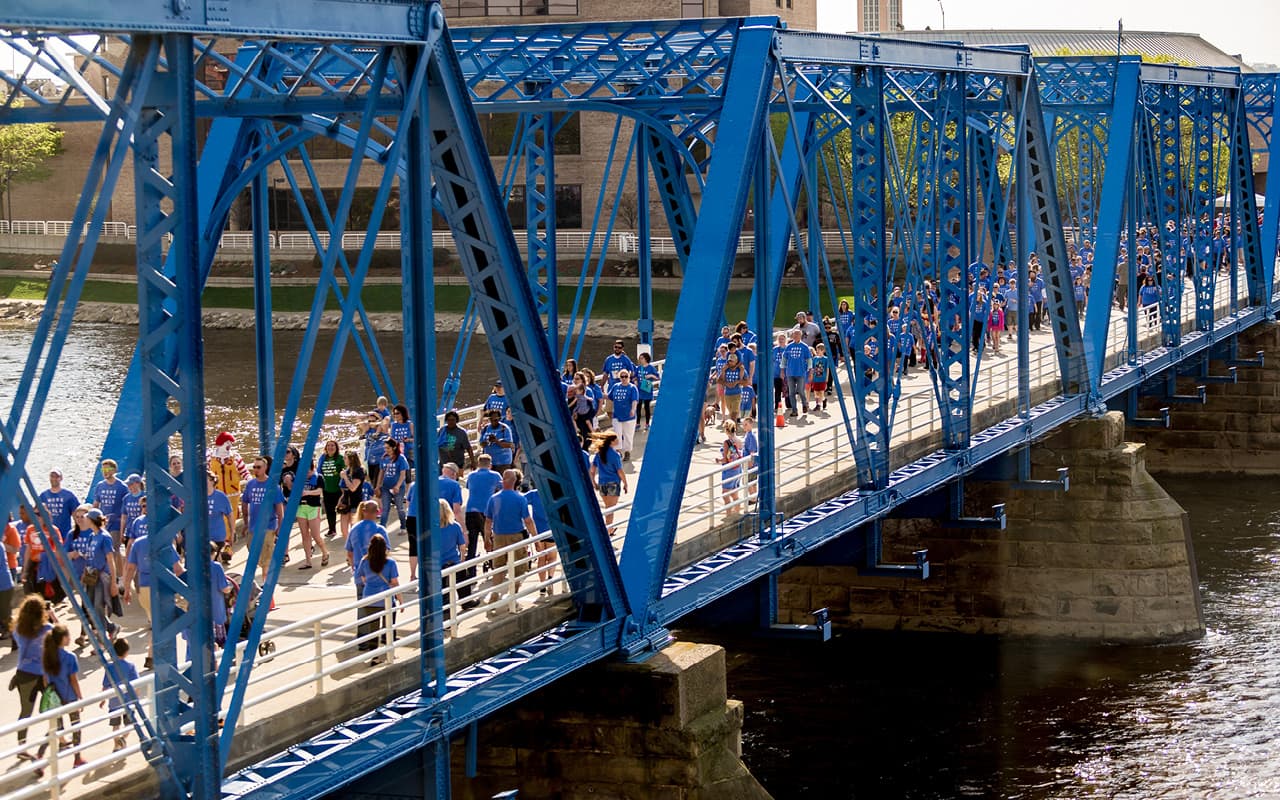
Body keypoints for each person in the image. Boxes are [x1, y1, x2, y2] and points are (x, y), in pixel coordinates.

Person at [482, 469, 537, 614]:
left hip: (499, 536)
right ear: (516, 482)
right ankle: (513, 597)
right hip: (516, 537)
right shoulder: (520, 499)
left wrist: (487, 539)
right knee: (518, 568)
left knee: (498, 568)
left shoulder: (493, 498)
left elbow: (488, 521)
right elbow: (528, 521)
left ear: (503, 481)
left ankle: (494, 596)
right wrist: (536, 538)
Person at [11, 595, 53, 760]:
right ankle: (51, 743)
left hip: (23, 675)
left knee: (25, 713)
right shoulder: (47, 629)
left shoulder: (18, 630)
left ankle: (22, 746)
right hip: (43, 676)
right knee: (54, 709)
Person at [68, 507, 118, 644]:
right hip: (91, 575)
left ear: (92, 520)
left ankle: (105, 635)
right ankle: (110, 628)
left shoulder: (105, 537)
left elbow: (110, 560)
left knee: (98, 606)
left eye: (87, 517)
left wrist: (113, 581)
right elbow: (89, 557)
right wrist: (84, 573)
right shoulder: (92, 536)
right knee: (89, 607)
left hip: (102, 576)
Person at [39, 625, 86, 770]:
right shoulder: (70, 657)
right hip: (69, 697)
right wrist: (80, 697)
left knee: (56, 728)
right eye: (68, 636)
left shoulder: (46, 656)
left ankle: (39, 755)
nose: (70, 638)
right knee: (76, 726)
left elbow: (45, 680)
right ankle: (77, 758)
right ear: (62, 639)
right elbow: (73, 680)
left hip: (55, 699)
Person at [462, 455, 502, 602]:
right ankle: (493, 566)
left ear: (479, 464)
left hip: (471, 511)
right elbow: (500, 489)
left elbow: (469, 488)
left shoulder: (471, 476)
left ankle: (471, 573)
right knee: (490, 539)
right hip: (487, 512)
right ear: (490, 464)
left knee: (471, 544)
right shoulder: (495, 475)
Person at [354, 534, 399, 663]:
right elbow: (395, 582)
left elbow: (361, 578)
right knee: (389, 627)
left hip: (369, 597)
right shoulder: (390, 562)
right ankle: (390, 652)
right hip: (386, 598)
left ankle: (375, 656)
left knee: (373, 629)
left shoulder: (364, 561)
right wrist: (400, 599)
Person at [241, 457, 287, 584]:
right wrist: (245, 522)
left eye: (258, 467)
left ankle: (266, 583)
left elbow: (279, 508)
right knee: (252, 553)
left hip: (269, 526)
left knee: (266, 556)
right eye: (254, 467)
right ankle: (258, 578)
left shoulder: (273, 486)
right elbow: (245, 502)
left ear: (265, 468)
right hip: (253, 526)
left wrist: (280, 526)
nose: (256, 470)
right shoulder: (250, 484)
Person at [208, 431, 250, 542]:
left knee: (232, 516)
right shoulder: (210, 457)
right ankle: (221, 539)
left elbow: (244, 471)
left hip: (233, 493)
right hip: (215, 493)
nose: (229, 445)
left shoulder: (235, 457)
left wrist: (249, 480)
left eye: (230, 443)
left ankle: (228, 540)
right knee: (217, 516)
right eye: (227, 442)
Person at [100, 637, 139, 751]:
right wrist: (136, 697)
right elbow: (135, 684)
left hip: (114, 701)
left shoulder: (110, 667)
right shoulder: (131, 666)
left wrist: (103, 699)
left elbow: (105, 685)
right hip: (128, 700)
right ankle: (123, 739)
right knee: (129, 724)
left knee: (115, 725)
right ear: (127, 652)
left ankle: (117, 744)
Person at [91, 458, 128, 576]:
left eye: (108, 469)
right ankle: (106, 573)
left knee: (114, 550)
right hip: (103, 523)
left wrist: (124, 525)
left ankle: (120, 577)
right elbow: (96, 504)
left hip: (116, 522)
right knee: (102, 549)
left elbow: (125, 507)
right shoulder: (100, 486)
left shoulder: (122, 487)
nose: (105, 472)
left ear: (114, 470)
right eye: (103, 469)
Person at [295, 460, 329, 570]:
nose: (306, 474)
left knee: (315, 534)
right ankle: (308, 560)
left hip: (313, 507)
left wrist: (307, 492)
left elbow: (319, 491)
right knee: (304, 535)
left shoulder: (318, 477)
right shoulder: (299, 478)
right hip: (301, 507)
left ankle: (325, 552)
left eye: (308, 472)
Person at [524, 483, 557, 595]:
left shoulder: (533, 494)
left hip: (538, 531)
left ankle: (542, 585)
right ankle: (550, 579)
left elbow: (521, 501)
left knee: (541, 559)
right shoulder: (553, 494)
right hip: (551, 530)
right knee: (552, 558)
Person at [589, 432, 627, 530]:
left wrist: (594, 483)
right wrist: (625, 483)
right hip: (613, 483)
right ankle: (609, 530)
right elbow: (620, 471)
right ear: (611, 442)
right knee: (611, 509)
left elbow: (592, 470)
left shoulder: (599, 454)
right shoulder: (615, 455)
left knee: (607, 507)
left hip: (602, 483)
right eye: (616, 439)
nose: (618, 440)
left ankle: (609, 527)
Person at [437, 499, 467, 614]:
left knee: (443, 588)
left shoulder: (432, 528)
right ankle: (466, 601)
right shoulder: (455, 526)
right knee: (462, 582)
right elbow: (462, 546)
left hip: (438, 564)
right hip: (454, 561)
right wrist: (462, 559)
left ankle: (445, 607)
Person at [344, 501, 386, 580]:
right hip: (378, 576)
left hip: (359, 576)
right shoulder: (380, 530)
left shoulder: (354, 529)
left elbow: (349, 553)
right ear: (377, 512)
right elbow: (386, 551)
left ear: (363, 511)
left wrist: (353, 567)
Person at [38, 470, 78, 546]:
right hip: (48, 535)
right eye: (52, 476)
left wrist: (77, 532)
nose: (54, 479)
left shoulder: (68, 495)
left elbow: (76, 515)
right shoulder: (43, 496)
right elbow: (38, 515)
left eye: (57, 476)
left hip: (64, 534)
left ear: (61, 478)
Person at [376, 439, 409, 529]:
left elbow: (403, 474)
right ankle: (382, 527)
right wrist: (378, 485)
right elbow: (381, 472)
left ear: (394, 447)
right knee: (385, 508)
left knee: (400, 508)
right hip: (386, 487)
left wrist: (397, 486)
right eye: (385, 448)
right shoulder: (384, 458)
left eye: (388, 448)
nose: (386, 450)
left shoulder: (401, 458)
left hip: (398, 487)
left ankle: (403, 526)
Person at [608, 369, 640, 459]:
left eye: (626, 376)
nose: (624, 378)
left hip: (629, 416)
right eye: (622, 376)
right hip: (617, 415)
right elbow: (610, 397)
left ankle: (627, 451)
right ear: (619, 378)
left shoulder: (632, 388)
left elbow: (634, 400)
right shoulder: (615, 386)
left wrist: (633, 410)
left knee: (628, 435)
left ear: (629, 377)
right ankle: (618, 451)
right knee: (617, 434)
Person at [317, 439, 345, 539]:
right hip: (326, 489)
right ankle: (332, 529)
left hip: (338, 489)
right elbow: (319, 471)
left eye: (332, 445)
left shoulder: (340, 458)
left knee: (343, 509)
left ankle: (346, 530)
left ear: (336, 447)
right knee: (329, 511)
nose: (330, 447)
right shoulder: (323, 458)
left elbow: (345, 471)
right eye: (328, 445)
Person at [782, 329, 813, 417]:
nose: (795, 336)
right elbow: (784, 359)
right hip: (790, 372)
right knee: (791, 392)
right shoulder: (789, 346)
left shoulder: (804, 347)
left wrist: (810, 370)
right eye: (794, 334)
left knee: (800, 390)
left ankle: (804, 404)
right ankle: (794, 410)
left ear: (800, 336)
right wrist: (782, 370)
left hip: (801, 372)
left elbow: (809, 359)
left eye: (797, 334)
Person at [206, 471, 234, 565]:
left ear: (212, 481)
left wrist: (232, 532)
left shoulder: (220, 496)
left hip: (217, 536)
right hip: (202, 536)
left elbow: (230, 515)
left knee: (215, 563)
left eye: (205, 479)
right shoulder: (198, 495)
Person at [338, 451, 366, 542]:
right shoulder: (346, 471)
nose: (344, 460)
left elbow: (353, 488)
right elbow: (343, 489)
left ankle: (356, 548)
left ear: (351, 459)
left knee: (355, 528)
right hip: (345, 501)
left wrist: (345, 477)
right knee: (343, 529)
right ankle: (350, 547)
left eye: (345, 458)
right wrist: (340, 500)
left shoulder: (359, 471)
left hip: (355, 501)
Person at [719, 421, 743, 510]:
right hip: (738, 468)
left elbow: (725, 459)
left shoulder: (726, 443)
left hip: (729, 470)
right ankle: (737, 512)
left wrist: (718, 460)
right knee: (735, 493)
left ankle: (729, 513)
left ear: (726, 430)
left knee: (725, 494)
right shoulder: (739, 440)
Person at [389, 404, 416, 480]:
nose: (395, 415)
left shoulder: (409, 424)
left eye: (397, 413)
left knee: (407, 470)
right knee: (398, 470)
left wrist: (408, 440)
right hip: (397, 450)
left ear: (403, 413)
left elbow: (415, 438)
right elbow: (391, 438)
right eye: (394, 414)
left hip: (408, 449)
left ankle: (408, 485)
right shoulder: (393, 425)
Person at [634, 353, 660, 431]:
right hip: (639, 390)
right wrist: (635, 381)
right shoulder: (639, 368)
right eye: (640, 358)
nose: (640, 360)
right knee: (638, 407)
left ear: (646, 359)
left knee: (646, 407)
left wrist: (651, 376)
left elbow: (658, 378)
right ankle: (637, 424)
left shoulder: (651, 368)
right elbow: (635, 377)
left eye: (641, 358)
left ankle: (647, 423)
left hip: (647, 390)